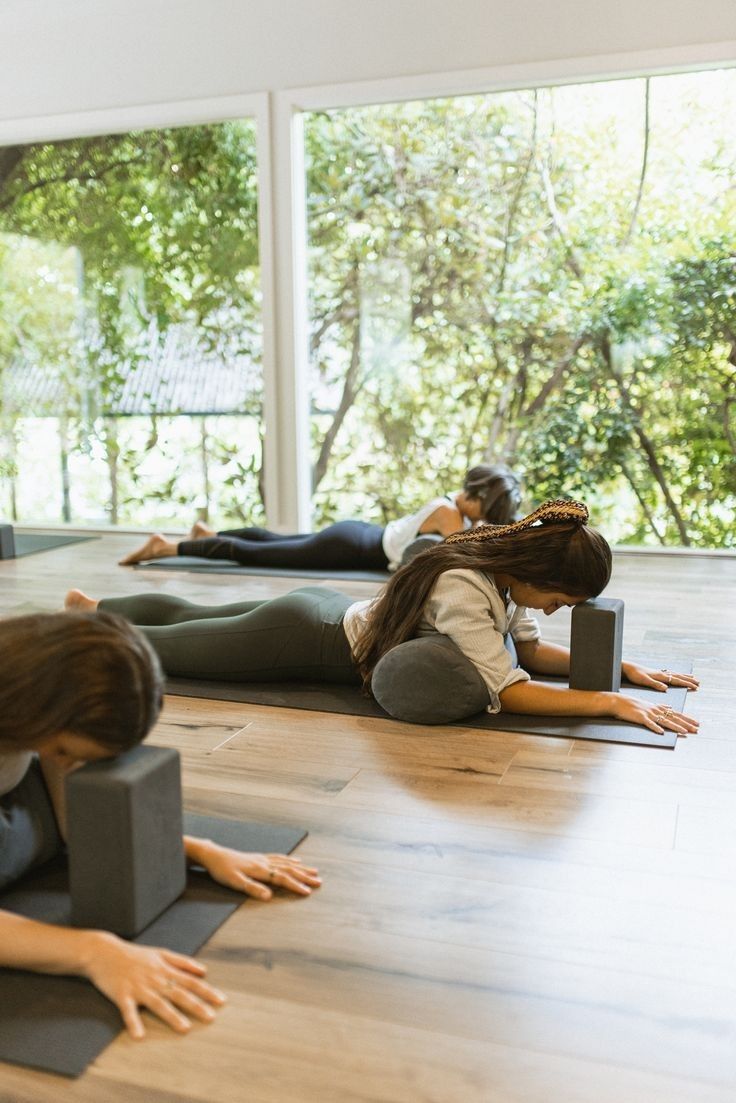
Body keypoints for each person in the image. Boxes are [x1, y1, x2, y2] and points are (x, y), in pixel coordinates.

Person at [70, 499, 699, 737]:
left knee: (191, 615)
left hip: (322, 611)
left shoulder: (505, 585)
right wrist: (607, 705)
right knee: (171, 648)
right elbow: (513, 689)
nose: (559, 612)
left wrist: (618, 669)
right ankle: (83, 632)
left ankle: (93, 607)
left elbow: (530, 657)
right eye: (561, 600)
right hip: (308, 639)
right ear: (537, 574)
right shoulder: (465, 584)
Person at [0, 611, 320, 1041]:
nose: (64, 761)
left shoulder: (32, 701)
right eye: (62, 749)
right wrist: (93, 953)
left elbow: (75, 826)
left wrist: (197, 849)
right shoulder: (33, 707)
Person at [118, 463, 523, 572]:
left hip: (357, 536)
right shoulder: (451, 514)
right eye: (488, 512)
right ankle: (166, 546)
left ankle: (206, 532)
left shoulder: (451, 507)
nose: (487, 520)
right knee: (260, 555)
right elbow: (459, 551)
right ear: (477, 498)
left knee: (275, 541)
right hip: (350, 547)